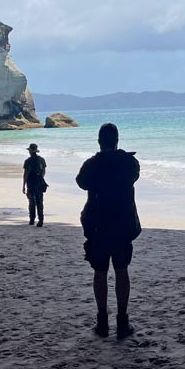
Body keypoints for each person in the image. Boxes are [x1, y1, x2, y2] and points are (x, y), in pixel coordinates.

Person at [76, 123, 141, 340]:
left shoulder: (92, 164)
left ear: (99, 142)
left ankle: (102, 322)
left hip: (98, 226)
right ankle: (122, 322)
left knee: (100, 272)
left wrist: (100, 159)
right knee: (122, 271)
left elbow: (81, 182)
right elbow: (134, 175)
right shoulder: (128, 163)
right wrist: (118, 156)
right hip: (122, 225)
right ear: (117, 140)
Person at [22, 144, 48, 227]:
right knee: (40, 201)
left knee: (31, 201)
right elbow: (43, 171)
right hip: (39, 181)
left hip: (31, 182)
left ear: (30, 151)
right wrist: (41, 178)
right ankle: (41, 220)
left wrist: (23, 185)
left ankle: (32, 220)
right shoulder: (41, 160)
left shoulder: (28, 161)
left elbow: (26, 173)